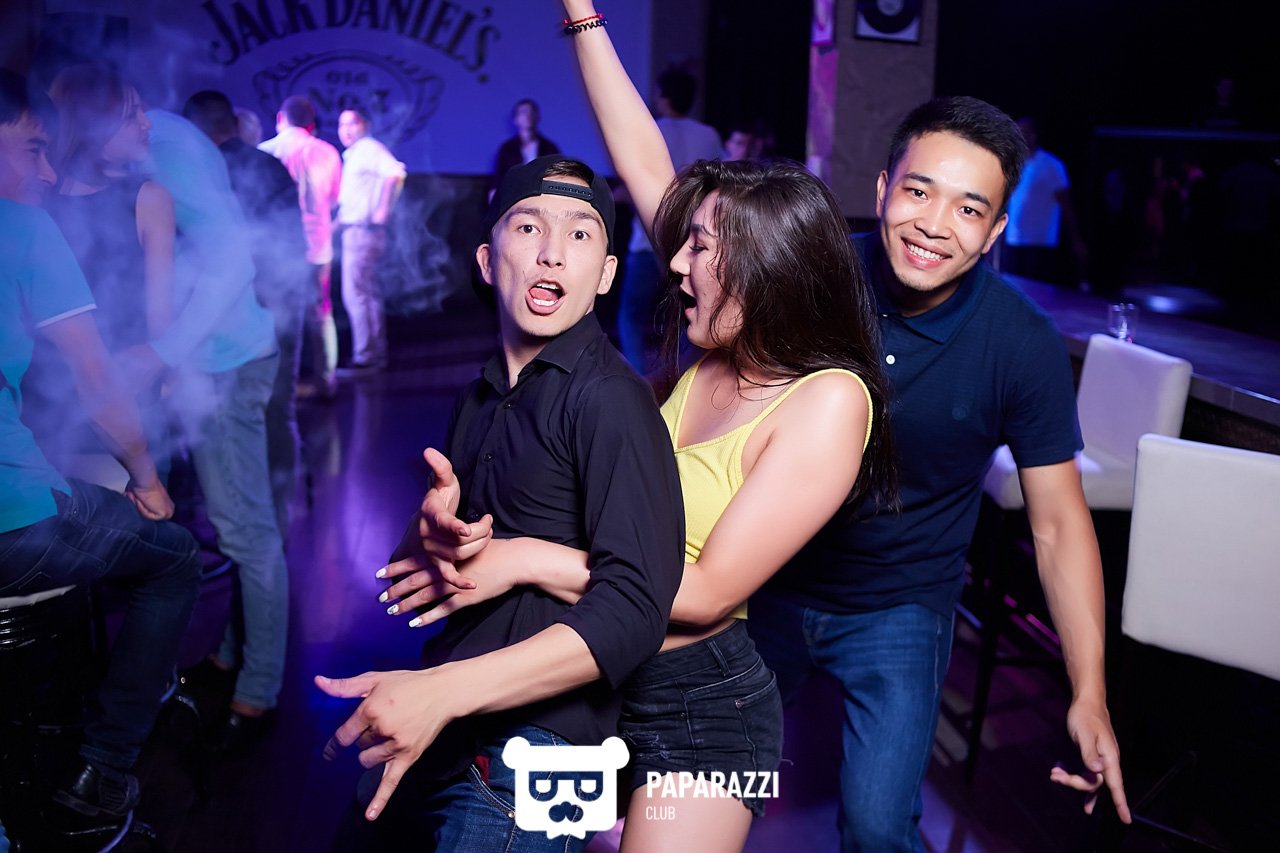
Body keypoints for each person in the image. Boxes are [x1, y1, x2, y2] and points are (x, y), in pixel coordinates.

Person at [374, 3, 895, 848]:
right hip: (591, 675)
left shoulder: (829, 399)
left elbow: (707, 592)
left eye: (700, 248)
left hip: (700, 705)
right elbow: (642, 153)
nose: (676, 262)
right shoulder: (716, 341)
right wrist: (582, 13)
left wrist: (527, 558)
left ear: (764, 266)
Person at [745, 96, 1132, 851]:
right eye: (919, 191)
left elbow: (1058, 523)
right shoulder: (813, 279)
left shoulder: (1021, 344)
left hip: (901, 606)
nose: (933, 224)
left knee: (879, 828)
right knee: (696, 792)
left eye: (968, 209)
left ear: (995, 232)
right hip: (765, 581)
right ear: (883, 188)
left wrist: (1089, 692)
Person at [318, 152, 685, 851]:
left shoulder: (610, 400)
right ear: (488, 261)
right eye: (529, 227)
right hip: (451, 714)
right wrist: (430, 532)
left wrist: (444, 690)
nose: (553, 252)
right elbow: (414, 578)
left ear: (607, 274)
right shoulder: (479, 396)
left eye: (581, 234)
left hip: (543, 749)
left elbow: (638, 607)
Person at [0, 68, 200, 826]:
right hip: (19, 512)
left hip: (64, 436)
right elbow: (93, 376)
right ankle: (101, 764)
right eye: (32, 149)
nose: (46, 171)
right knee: (174, 558)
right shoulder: (26, 224)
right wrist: (147, 476)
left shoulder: (136, 197)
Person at [27, 65, 176, 476]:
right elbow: (160, 317)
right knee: (140, 510)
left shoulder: (32, 199)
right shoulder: (148, 197)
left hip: (47, 403)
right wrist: (167, 377)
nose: (147, 123)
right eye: (130, 115)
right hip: (121, 402)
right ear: (91, 125)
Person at [182, 88, 309, 536]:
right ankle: (276, 526)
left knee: (215, 415)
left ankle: (236, 528)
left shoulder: (199, 171)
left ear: (193, 129)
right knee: (275, 414)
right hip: (282, 305)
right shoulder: (269, 165)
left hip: (231, 311)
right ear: (232, 125)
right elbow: (293, 245)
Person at [616, 65, 724, 374]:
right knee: (687, 315)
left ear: (663, 97)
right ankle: (680, 376)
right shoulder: (708, 135)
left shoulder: (652, 129)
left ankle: (638, 379)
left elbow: (633, 183)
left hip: (647, 239)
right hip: (693, 241)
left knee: (631, 315)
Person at [259, 95, 341, 399]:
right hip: (318, 245)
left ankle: (278, 387)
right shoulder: (328, 152)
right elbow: (334, 200)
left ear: (280, 118)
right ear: (311, 123)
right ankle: (325, 381)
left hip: (276, 248)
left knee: (276, 315)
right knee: (321, 311)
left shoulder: (265, 151)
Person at [335, 108, 406, 371]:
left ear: (364, 124)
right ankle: (374, 353)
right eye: (341, 125)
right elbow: (353, 201)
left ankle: (365, 356)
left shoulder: (368, 149)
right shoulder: (355, 154)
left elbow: (395, 173)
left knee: (356, 294)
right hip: (356, 229)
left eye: (351, 123)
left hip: (363, 231)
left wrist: (382, 212)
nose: (345, 130)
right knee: (366, 292)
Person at [1001, 117, 1086, 287]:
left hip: (1039, 243)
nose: (1021, 137)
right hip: (1014, 240)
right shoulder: (1014, 163)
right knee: (1012, 288)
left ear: (1034, 135)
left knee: (1035, 291)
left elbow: (1066, 204)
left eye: (1025, 132)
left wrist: (1076, 239)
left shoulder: (1051, 165)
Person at [489, 97, 559, 199]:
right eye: (523, 112)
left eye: (531, 112)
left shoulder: (549, 148)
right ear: (515, 119)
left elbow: (557, 175)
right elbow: (498, 178)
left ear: (537, 116)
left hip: (543, 197)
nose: (527, 115)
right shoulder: (507, 149)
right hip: (513, 196)